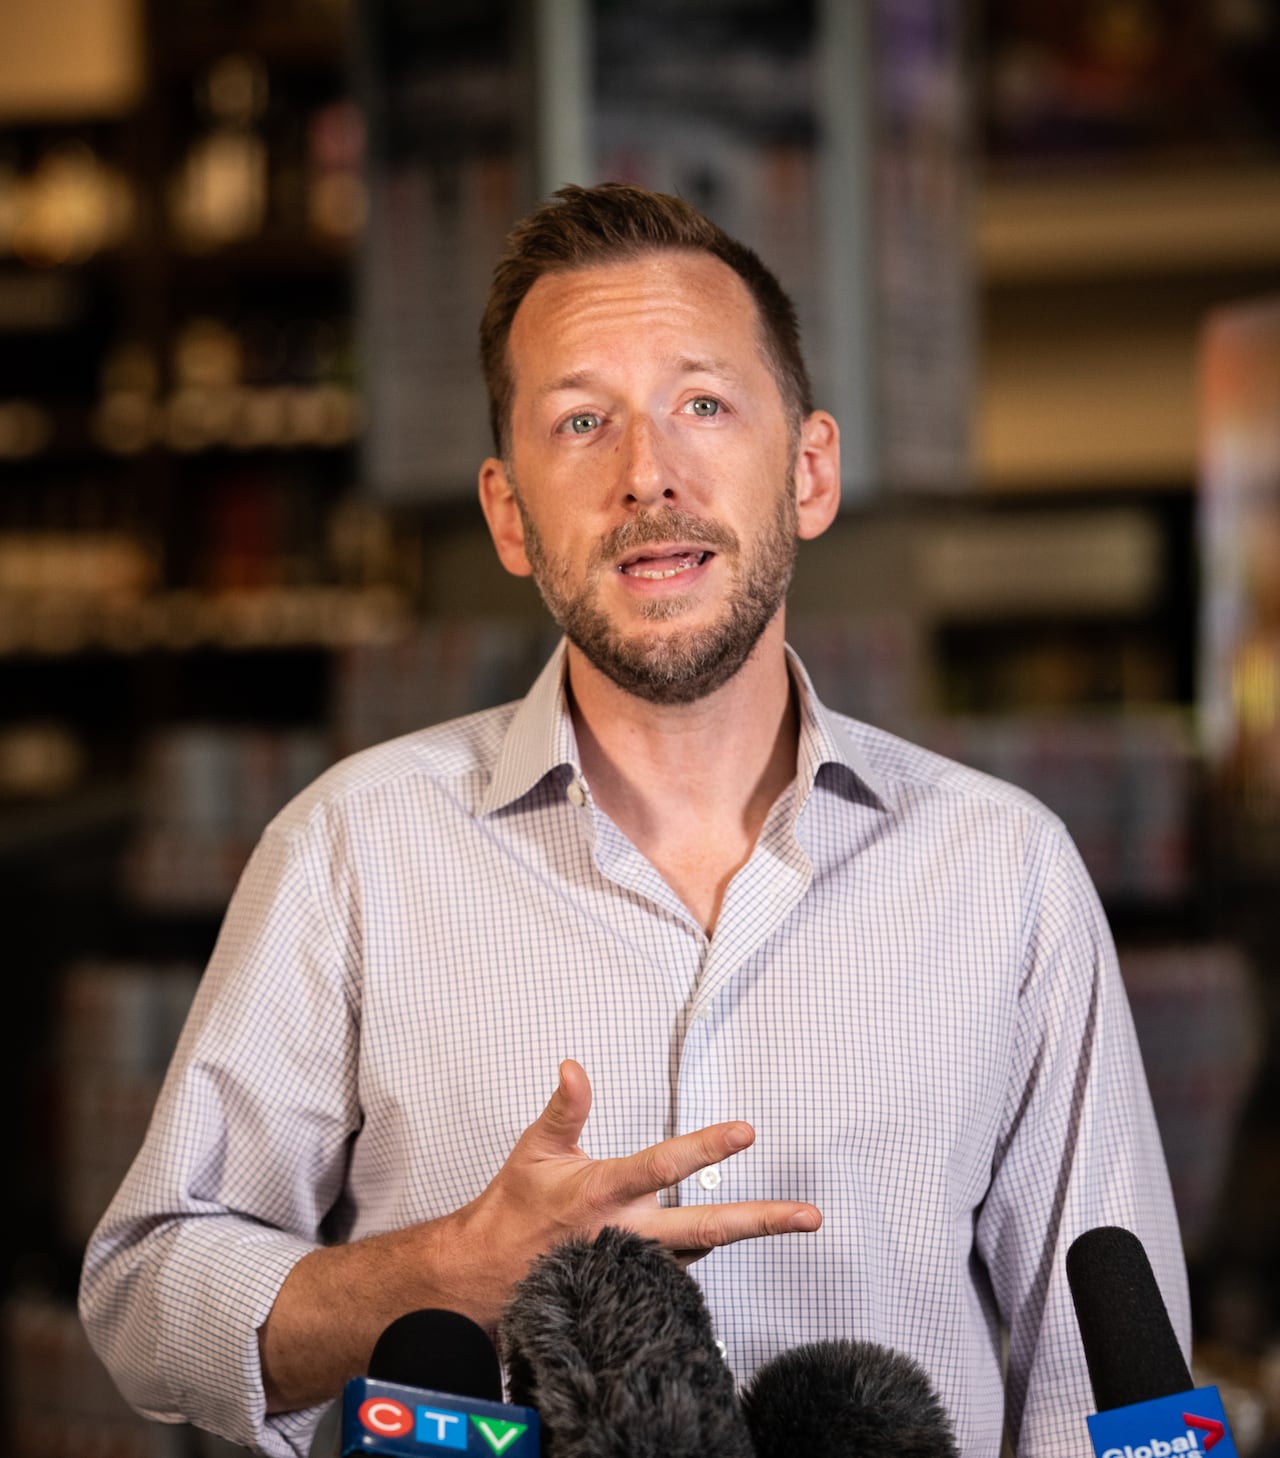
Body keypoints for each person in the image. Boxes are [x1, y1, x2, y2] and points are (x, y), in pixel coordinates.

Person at [80, 183, 1189, 1458]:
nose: (646, 475)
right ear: (508, 513)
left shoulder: (1003, 873)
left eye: (703, 405)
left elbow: (1097, 1388)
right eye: (581, 422)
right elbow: (146, 1298)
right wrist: (450, 1266)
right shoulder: (349, 852)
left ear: (809, 470)